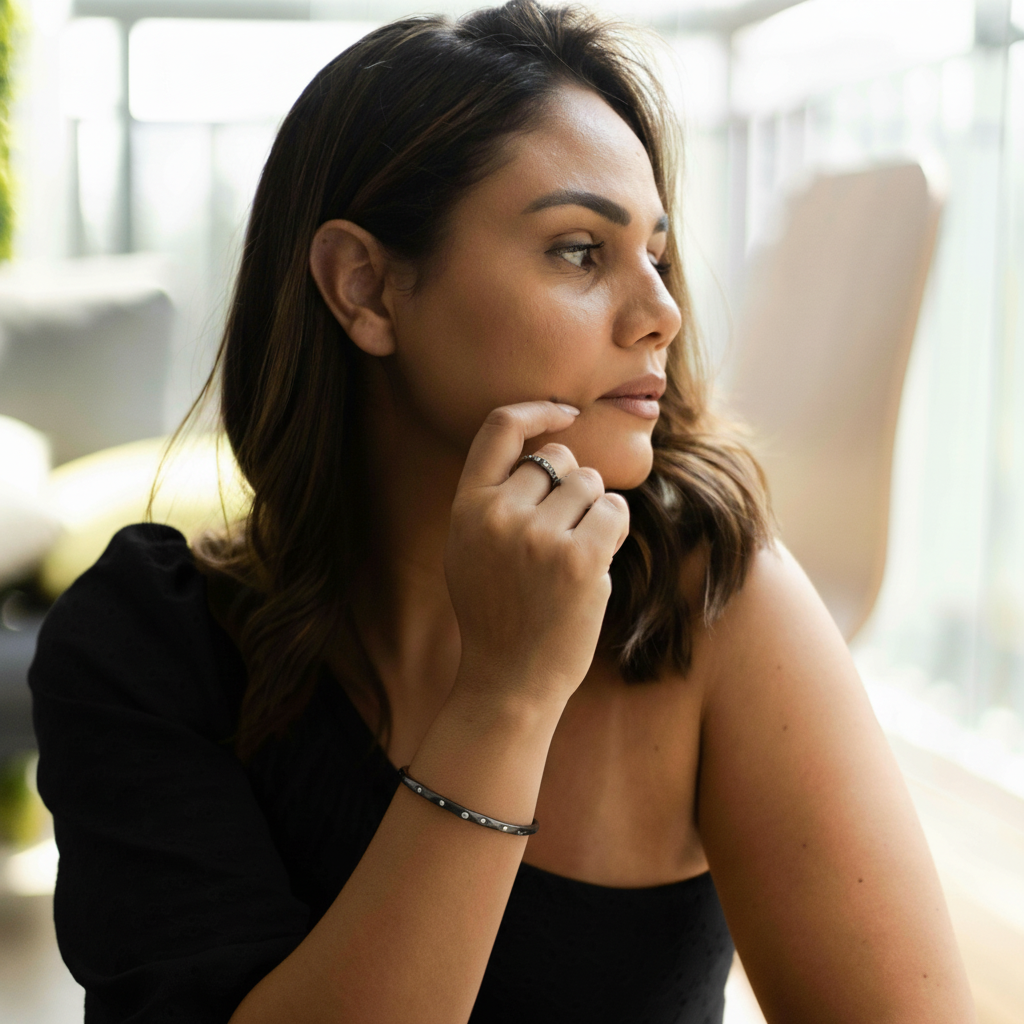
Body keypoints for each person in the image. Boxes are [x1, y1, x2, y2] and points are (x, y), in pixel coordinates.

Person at [29, 2, 977, 1022]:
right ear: (367, 290)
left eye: (656, 252)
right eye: (579, 249)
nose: (661, 309)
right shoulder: (142, 648)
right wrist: (504, 702)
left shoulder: (708, 601)